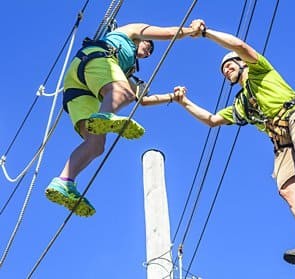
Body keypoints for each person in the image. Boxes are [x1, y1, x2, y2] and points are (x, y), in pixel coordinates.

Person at [172, 19, 295, 265]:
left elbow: (238, 45)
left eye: (229, 65)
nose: (226, 70)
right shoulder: (240, 104)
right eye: (223, 70)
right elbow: (212, 119)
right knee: (288, 191)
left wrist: (205, 33)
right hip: (280, 141)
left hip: (294, 114)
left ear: (239, 62)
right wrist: (185, 102)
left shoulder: (259, 69)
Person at [45, 22, 201, 217]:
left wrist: (173, 98)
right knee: (121, 92)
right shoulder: (129, 32)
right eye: (147, 46)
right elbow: (170, 33)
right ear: (141, 39)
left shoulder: (126, 72)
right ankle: (104, 115)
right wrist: (191, 31)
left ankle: (64, 181)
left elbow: (142, 100)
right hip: (94, 59)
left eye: (150, 54)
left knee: (96, 145)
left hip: (77, 89)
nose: (147, 52)